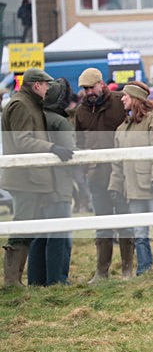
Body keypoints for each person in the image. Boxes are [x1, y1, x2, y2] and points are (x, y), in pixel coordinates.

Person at [1, 68, 74, 287]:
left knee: (29, 229)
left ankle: (17, 280)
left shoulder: (28, 103)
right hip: (24, 178)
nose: (49, 89)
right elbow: (23, 141)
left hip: (32, 178)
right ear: (36, 85)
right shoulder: (21, 105)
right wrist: (53, 147)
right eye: (46, 85)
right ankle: (12, 281)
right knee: (22, 228)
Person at [108, 81, 153, 274]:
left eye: (126, 96)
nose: (122, 99)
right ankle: (145, 270)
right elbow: (117, 162)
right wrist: (115, 186)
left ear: (136, 99)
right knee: (139, 233)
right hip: (132, 188)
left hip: (152, 187)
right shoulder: (122, 128)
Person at [74, 67, 134, 283]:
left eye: (91, 87)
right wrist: (86, 167)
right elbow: (79, 141)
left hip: (121, 175)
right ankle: (102, 272)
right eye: (85, 88)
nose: (88, 91)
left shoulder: (120, 102)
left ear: (101, 84)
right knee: (103, 226)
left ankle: (128, 270)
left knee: (126, 223)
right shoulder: (81, 111)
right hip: (97, 176)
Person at [27, 78, 76, 285]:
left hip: (38, 184)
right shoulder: (59, 122)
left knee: (40, 235)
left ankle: (36, 280)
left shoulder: (37, 117)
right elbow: (71, 151)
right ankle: (58, 280)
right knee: (59, 236)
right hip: (59, 185)